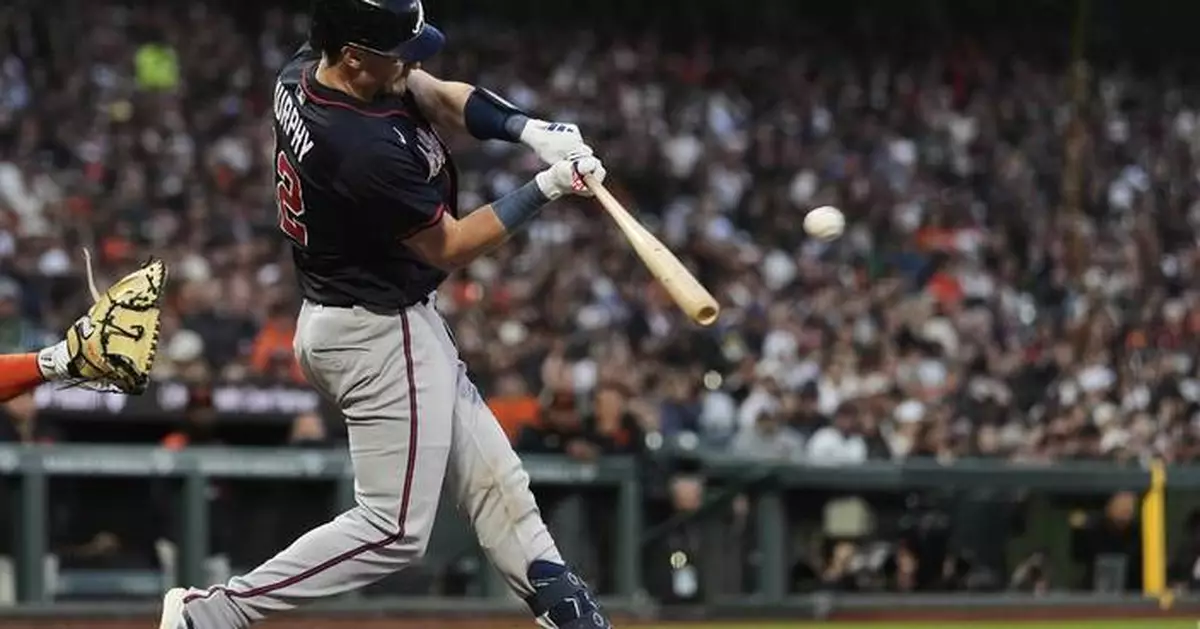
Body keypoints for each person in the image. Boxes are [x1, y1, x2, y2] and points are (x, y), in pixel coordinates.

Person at [158, 1, 611, 627]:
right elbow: (448, 246)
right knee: (393, 529)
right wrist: (546, 189)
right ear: (354, 55)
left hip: (368, 317)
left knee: (497, 483)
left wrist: (525, 129)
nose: (412, 62)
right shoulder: (357, 145)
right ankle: (215, 614)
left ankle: (567, 612)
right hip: (375, 329)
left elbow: (437, 94)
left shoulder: (307, 69)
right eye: (398, 51)